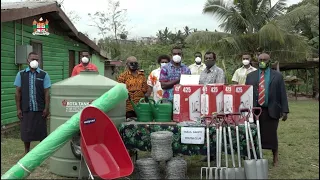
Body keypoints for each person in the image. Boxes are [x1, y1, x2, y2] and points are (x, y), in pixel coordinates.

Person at [245, 53, 289, 167]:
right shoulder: (251, 76)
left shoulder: (277, 76)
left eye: (265, 60)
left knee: (271, 135)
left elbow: (282, 93)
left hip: (272, 109)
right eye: (260, 60)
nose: (262, 62)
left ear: (269, 61)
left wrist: (285, 110)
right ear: (257, 61)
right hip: (255, 110)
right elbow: (246, 94)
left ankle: (275, 156)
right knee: (254, 134)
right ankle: (255, 156)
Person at [13, 52, 51, 154]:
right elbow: (17, 92)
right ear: (27, 61)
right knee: (26, 132)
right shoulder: (21, 74)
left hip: (40, 108)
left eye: (37, 59)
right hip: (26, 108)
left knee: (42, 131)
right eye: (32, 59)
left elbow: (47, 92)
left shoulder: (44, 74)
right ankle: (27, 151)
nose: (35, 61)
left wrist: (46, 108)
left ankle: (42, 151)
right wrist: (18, 108)